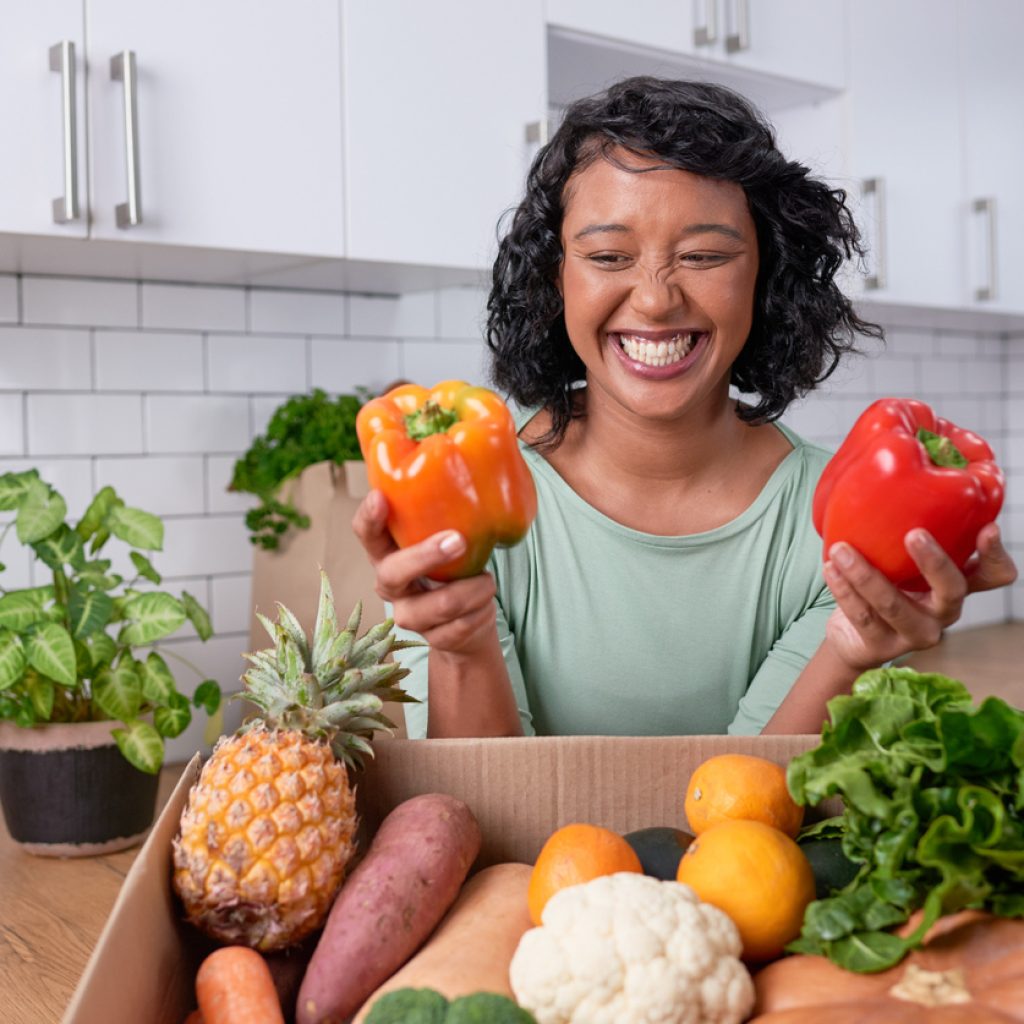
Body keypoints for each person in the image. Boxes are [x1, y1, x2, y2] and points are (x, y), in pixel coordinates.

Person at [352, 77, 1017, 740]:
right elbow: (483, 819)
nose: (655, 300)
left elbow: (749, 807)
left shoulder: (845, 526)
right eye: (608, 256)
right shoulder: (467, 494)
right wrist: (459, 648)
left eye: (703, 256)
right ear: (556, 277)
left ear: (767, 275)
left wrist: (851, 649)